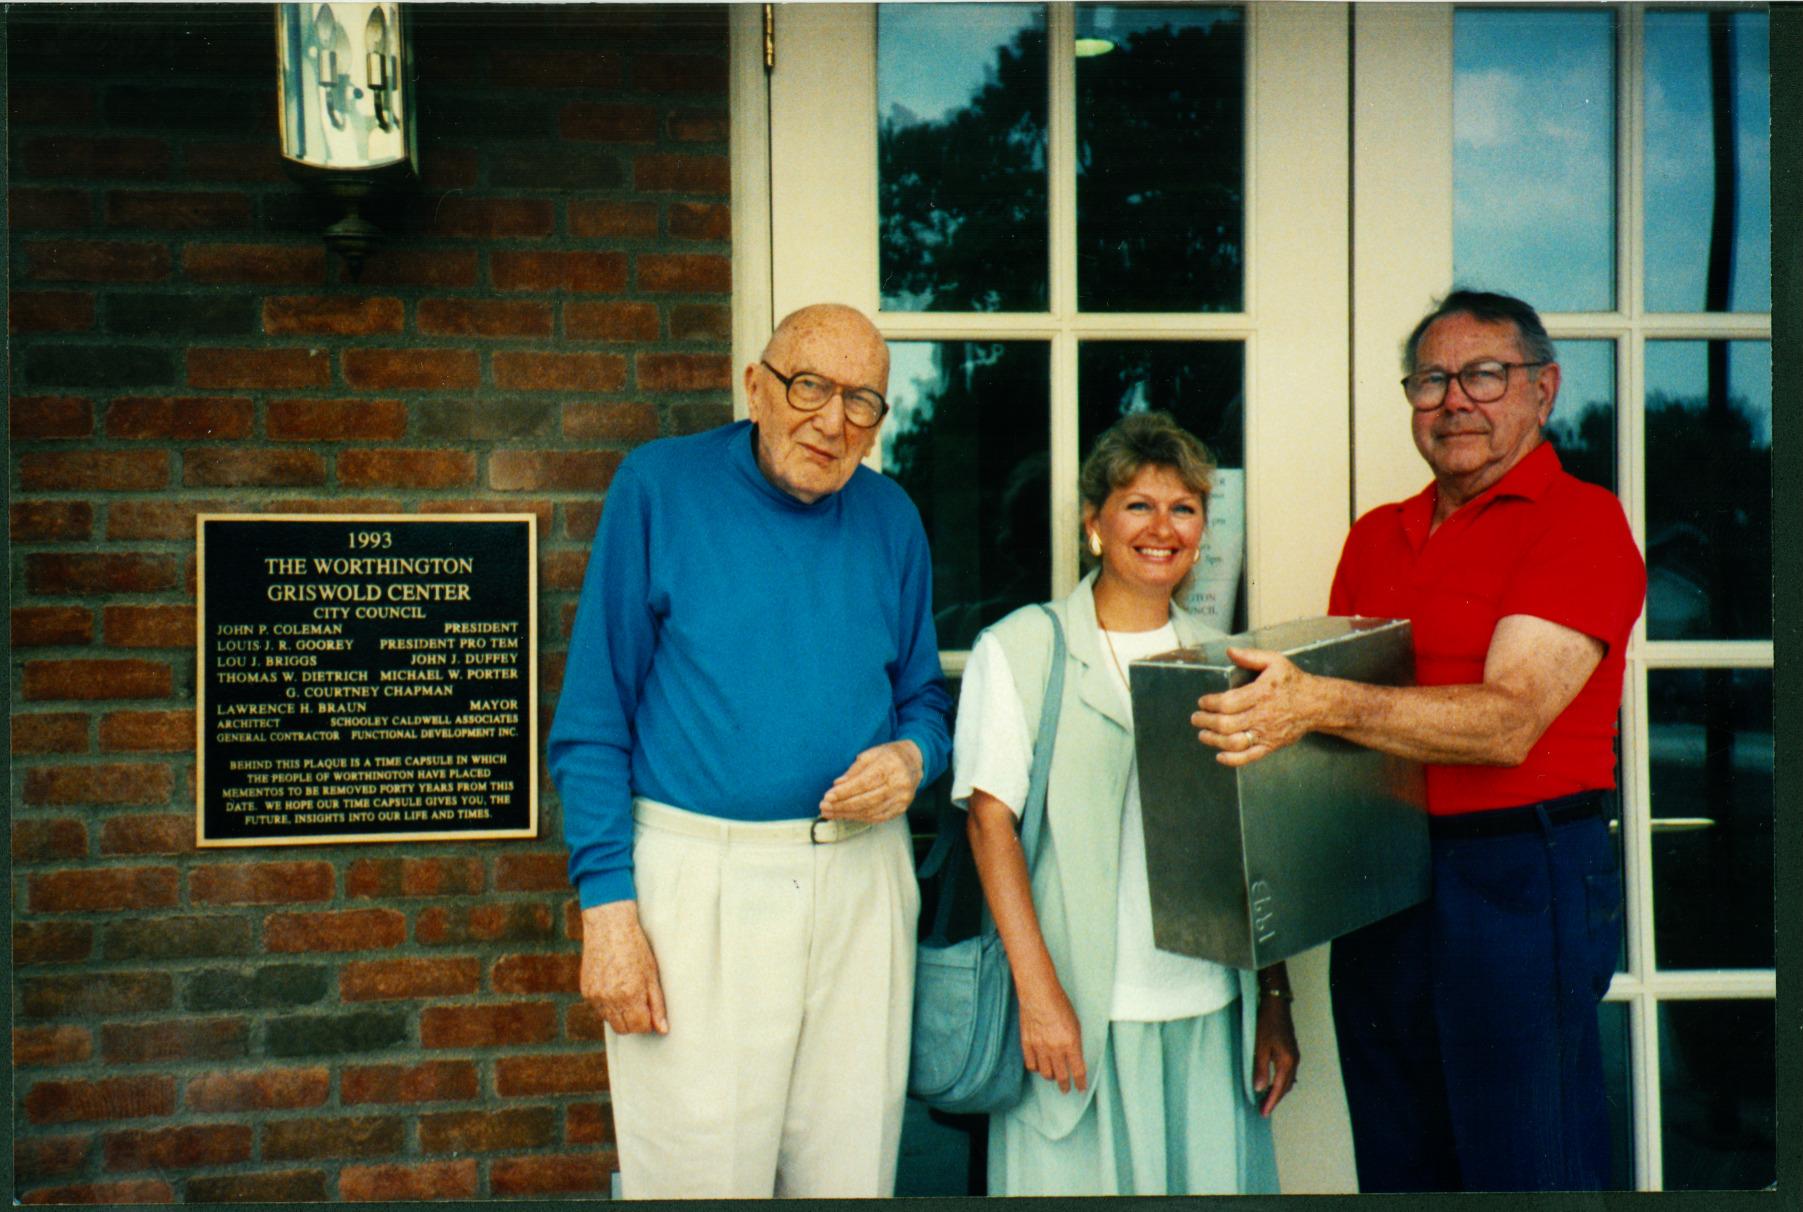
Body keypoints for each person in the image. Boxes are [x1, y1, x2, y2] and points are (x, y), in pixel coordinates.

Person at [1191, 290, 1647, 1192]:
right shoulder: (1377, 535)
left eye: (1484, 375)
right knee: (1399, 1164)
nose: (1454, 401)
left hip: (1519, 875)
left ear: (1543, 389)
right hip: (1382, 877)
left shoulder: (1579, 520)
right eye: (1430, 380)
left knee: (1527, 1165)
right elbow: (1327, 750)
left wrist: (1315, 702)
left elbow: (1508, 722)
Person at [546, 302, 952, 1198]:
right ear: (755, 387)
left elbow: (925, 699)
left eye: (861, 401)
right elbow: (591, 720)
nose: (832, 421)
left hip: (860, 883)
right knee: (698, 1179)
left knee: (849, 1174)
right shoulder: (659, 488)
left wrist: (912, 759)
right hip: (700, 886)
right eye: (809, 387)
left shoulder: (891, 517)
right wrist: (606, 912)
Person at [954, 411, 1297, 1196]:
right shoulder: (1021, 647)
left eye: (1183, 507)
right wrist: (1039, 999)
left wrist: (1274, 1001)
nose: (1161, 528)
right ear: (1093, 523)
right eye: (1137, 504)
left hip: (1211, 1012)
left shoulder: (1224, 659)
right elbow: (988, 825)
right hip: (1076, 1018)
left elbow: (1257, 842)